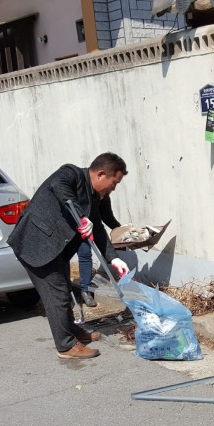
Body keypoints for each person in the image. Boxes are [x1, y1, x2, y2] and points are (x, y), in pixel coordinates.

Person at [8, 153, 130, 359]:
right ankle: (65, 346)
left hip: (57, 251)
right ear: (101, 174)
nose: (113, 189)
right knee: (58, 297)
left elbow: (98, 227)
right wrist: (81, 217)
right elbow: (59, 186)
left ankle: (72, 331)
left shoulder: (94, 196)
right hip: (36, 246)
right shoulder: (70, 174)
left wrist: (113, 258)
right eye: (114, 183)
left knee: (64, 293)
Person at [77, 195, 120, 307]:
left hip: (89, 226)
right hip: (71, 226)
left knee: (85, 253)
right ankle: (66, 289)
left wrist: (121, 230)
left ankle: (85, 290)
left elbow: (107, 217)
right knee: (67, 258)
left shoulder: (104, 196)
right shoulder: (84, 193)